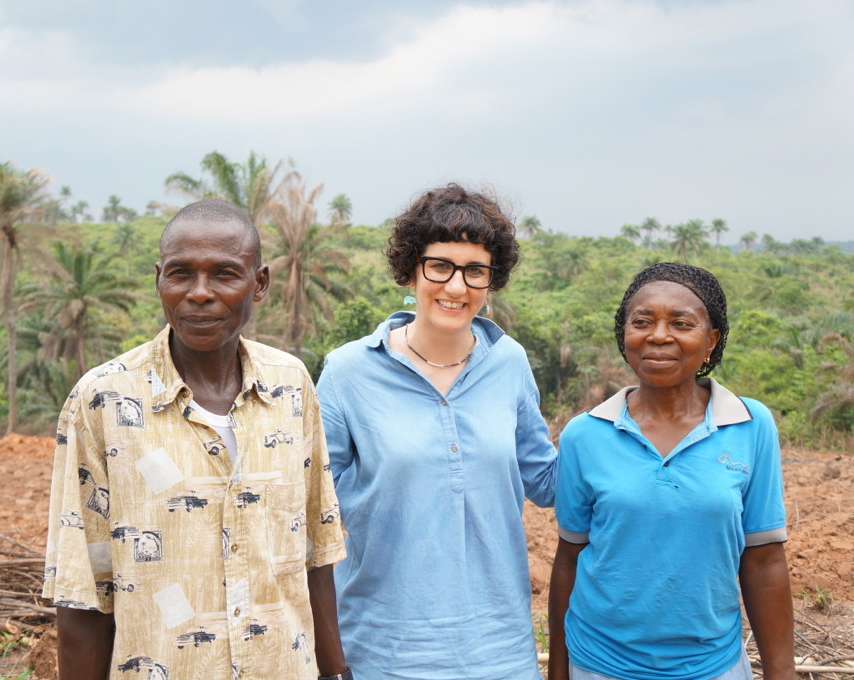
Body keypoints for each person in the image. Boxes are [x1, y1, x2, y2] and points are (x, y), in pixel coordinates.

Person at [43, 199, 352, 680]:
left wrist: (336, 671)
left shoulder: (291, 386)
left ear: (260, 283)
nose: (200, 293)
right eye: (181, 273)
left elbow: (316, 554)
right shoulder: (103, 400)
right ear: (159, 279)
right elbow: (84, 587)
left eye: (225, 274)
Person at [316, 184, 558, 680]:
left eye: (475, 271)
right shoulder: (347, 372)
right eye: (440, 266)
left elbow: (547, 481)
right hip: (381, 650)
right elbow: (311, 511)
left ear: (492, 281)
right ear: (411, 269)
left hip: (500, 651)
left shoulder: (509, 362)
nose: (456, 286)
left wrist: (628, 421)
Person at [548, 262, 794, 680]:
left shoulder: (751, 425)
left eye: (681, 323)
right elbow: (570, 556)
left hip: (713, 666)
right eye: (642, 321)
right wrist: (558, 669)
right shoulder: (584, 434)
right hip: (598, 665)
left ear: (712, 340)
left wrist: (780, 673)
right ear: (624, 335)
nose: (659, 335)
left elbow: (764, 559)